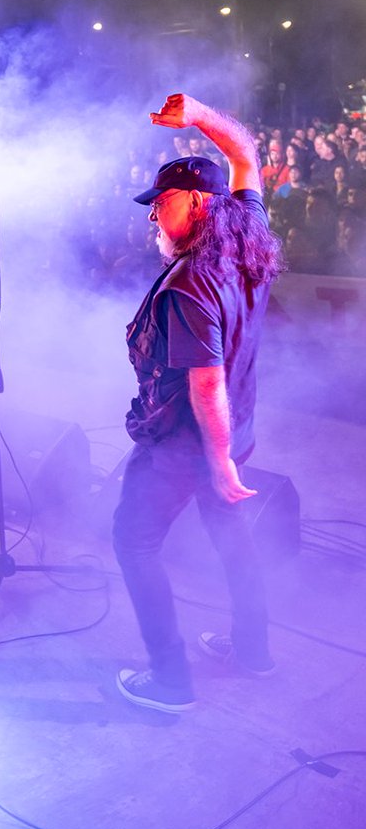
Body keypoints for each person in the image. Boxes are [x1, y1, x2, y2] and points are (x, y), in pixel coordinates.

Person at [114, 94, 286, 714]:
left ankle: (170, 682)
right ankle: (254, 652)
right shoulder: (247, 239)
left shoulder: (190, 283)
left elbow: (205, 382)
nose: (154, 217)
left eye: (161, 203)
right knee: (233, 537)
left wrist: (216, 463)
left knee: (132, 542)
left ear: (197, 202)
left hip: (189, 446)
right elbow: (245, 154)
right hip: (236, 434)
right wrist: (200, 115)